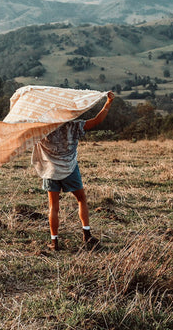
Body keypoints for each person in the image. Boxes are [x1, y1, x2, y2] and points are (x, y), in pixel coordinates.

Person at [31, 91, 115, 251]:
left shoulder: (41, 130)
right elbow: (97, 120)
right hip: (70, 169)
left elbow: (21, 131)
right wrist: (108, 102)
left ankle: (54, 243)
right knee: (81, 199)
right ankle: (86, 235)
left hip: (50, 171)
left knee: (53, 207)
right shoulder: (74, 125)